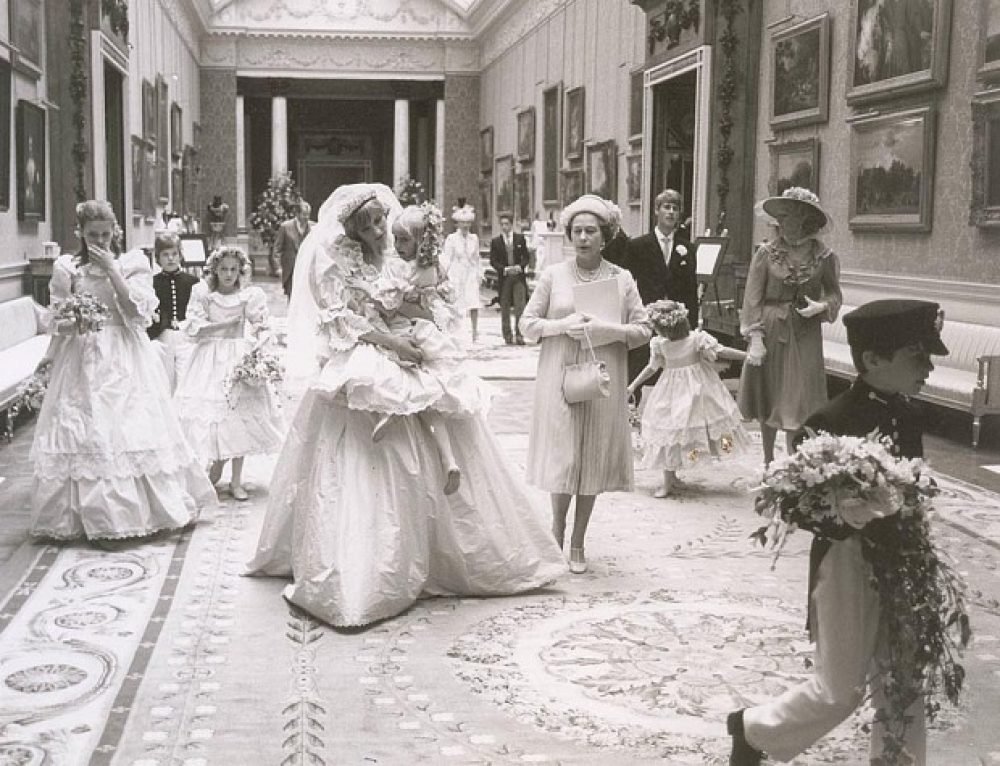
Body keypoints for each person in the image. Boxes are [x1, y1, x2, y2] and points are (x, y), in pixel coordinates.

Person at [246, 183, 566, 628]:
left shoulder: (402, 256)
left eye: (382, 222)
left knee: (440, 397)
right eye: (370, 226)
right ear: (355, 231)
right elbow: (344, 320)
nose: (380, 231)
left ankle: (447, 541)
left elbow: (429, 298)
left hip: (409, 342)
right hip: (368, 347)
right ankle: (366, 567)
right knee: (370, 403)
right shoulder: (339, 262)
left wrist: (420, 327)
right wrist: (391, 340)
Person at [728, 299, 948, 766]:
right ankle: (752, 731)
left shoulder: (908, 415)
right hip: (848, 563)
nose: (928, 367)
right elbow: (801, 510)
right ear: (872, 360)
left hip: (904, 558)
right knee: (840, 689)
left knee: (903, 678)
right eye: (917, 356)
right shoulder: (828, 422)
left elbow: (912, 482)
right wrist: (852, 512)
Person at [29, 200, 216, 543]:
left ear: (115, 231)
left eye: (105, 233)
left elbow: (137, 313)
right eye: (92, 235)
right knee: (86, 428)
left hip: (124, 354)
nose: (99, 240)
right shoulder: (67, 267)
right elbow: (58, 322)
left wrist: (113, 270)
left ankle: (136, 511)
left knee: (125, 425)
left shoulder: (132, 263)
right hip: (82, 355)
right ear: (80, 234)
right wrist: (58, 343)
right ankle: (85, 518)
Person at [520, 194, 652, 575]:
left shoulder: (621, 278)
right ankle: (556, 530)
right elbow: (526, 326)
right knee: (564, 456)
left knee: (591, 456)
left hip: (601, 376)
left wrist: (607, 330)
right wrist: (562, 326)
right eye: (576, 231)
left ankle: (578, 540)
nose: (582, 238)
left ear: (604, 236)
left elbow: (643, 330)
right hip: (559, 374)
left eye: (590, 231)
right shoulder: (552, 275)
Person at [736, 187, 843, 466]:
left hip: (806, 332)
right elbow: (752, 299)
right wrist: (755, 338)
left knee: (800, 400)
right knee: (769, 397)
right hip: (771, 329)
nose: (787, 221)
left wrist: (822, 307)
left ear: (809, 219)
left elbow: (834, 293)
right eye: (784, 215)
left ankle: (794, 463)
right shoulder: (766, 254)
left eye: (795, 215)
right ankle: (769, 460)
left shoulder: (824, 256)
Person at [174, 246, 284, 501]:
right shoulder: (204, 293)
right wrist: (224, 325)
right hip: (209, 358)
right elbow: (194, 329)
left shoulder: (248, 296)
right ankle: (214, 466)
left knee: (238, 418)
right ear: (214, 269)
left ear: (240, 271)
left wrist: (260, 344)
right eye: (223, 269)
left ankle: (237, 480)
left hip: (236, 356)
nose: (228, 274)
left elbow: (261, 324)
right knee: (213, 417)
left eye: (234, 270)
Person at [627, 300, 750, 497]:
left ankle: (676, 474)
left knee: (689, 429)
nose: (657, 332)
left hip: (698, 391)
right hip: (670, 391)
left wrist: (747, 356)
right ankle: (669, 479)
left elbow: (721, 351)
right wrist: (633, 385)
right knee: (669, 431)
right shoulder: (660, 344)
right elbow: (652, 367)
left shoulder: (697, 339)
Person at [623, 189, 700, 397]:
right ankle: (633, 406)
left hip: (677, 319)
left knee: (675, 368)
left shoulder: (688, 248)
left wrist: (691, 322)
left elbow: (691, 288)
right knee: (642, 363)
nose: (671, 212)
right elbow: (628, 285)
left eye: (675, 208)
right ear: (657, 211)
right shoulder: (638, 246)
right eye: (666, 207)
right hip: (646, 315)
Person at [148, 229, 199, 390]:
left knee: (186, 376)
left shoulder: (193, 282)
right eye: (165, 254)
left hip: (186, 335)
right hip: (163, 334)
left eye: (174, 254)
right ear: (158, 258)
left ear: (180, 255)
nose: (170, 258)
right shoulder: (152, 283)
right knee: (164, 378)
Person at [442, 201, 481, 342]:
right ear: (457, 224)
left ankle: (475, 331)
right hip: (456, 272)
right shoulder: (451, 239)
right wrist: (444, 276)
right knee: (457, 302)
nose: (465, 226)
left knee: (473, 301)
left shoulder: (474, 238)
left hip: (470, 272)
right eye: (462, 223)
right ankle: (456, 330)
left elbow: (477, 258)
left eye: (468, 223)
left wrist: (479, 273)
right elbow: (447, 258)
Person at [489, 213, 531, 345]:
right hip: (505, 278)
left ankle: (520, 335)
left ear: (511, 224)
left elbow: (526, 257)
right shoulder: (496, 242)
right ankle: (507, 335)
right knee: (505, 306)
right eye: (502, 224)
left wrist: (521, 266)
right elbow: (493, 261)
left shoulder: (519, 239)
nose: (504, 227)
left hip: (518, 277)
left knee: (520, 306)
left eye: (506, 224)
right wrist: (503, 269)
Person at [273, 200, 312, 299]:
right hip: (291, 270)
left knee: (306, 299)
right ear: (297, 214)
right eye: (304, 215)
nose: (306, 218)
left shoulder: (313, 227)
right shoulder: (285, 227)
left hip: (308, 270)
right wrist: (278, 268)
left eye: (308, 215)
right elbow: (277, 249)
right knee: (292, 298)